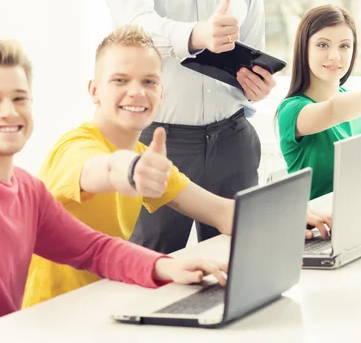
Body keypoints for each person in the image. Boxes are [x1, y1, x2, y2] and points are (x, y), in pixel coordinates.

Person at [0, 39, 228, 343]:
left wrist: (168, 265)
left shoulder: (29, 191)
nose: (8, 111)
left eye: (19, 99)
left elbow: (95, 249)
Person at [23, 26, 331, 307]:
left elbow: (221, 212)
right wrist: (130, 171)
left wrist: (282, 214)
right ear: (94, 90)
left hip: (107, 302)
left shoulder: (147, 157)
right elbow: (105, 169)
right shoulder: (74, 147)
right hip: (53, 312)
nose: (137, 91)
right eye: (120, 80)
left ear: (161, 92)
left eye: (149, 81)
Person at [103, 0, 277, 254]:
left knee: (239, 265)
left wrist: (254, 86)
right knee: (153, 268)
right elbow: (137, 28)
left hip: (233, 142)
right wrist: (198, 34)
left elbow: (250, 58)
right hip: (160, 141)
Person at [277, 5, 361, 200]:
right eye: (323, 45)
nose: (335, 56)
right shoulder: (292, 110)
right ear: (303, 48)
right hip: (318, 227)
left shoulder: (357, 106)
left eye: (344, 46)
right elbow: (333, 111)